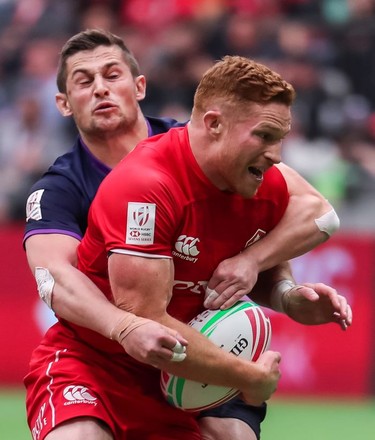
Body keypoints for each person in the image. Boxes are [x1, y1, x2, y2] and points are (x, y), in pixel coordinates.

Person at [23, 34, 351, 440]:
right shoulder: (65, 188)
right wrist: (123, 327)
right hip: (104, 356)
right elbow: (56, 279)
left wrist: (274, 283)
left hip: (196, 346)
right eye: (84, 81)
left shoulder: (217, 150)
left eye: (111, 75)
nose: (101, 88)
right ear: (64, 103)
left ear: (140, 86)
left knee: (233, 434)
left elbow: (286, 217)